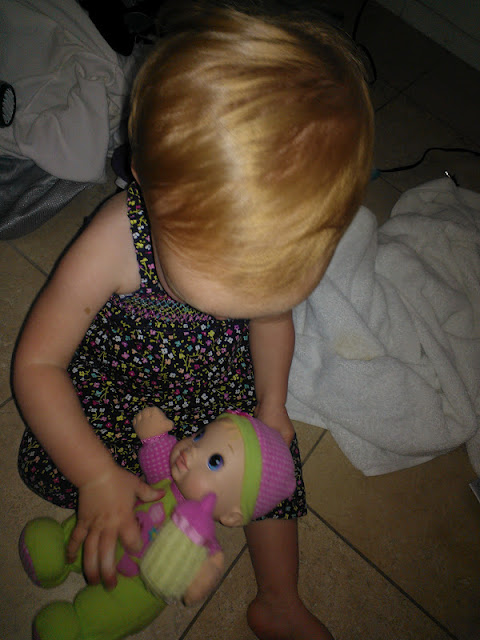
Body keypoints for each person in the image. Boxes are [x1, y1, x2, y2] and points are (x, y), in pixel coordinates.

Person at [13, 4, 374, 639]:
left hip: (220, 395)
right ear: (145, 184)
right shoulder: (114, 241)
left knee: (272, 465)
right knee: (107, 482)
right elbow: (37, 364)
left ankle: (279, 598)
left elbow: (272, 324)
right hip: (125, 399)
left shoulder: (265, 261)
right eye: (227, 294)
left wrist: (271, 401)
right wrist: (96, 475)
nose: (249, 308)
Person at [19, 408, 297, 639]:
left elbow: (201, 571)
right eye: (201, 435)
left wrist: (199, 578)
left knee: (113, 611)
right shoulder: (167, 477)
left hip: (138, 587)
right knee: (94, 522)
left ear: (232, 516)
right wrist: (154, 438)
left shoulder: (200, 540)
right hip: (117, 523)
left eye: (214, 461)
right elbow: (156, 459)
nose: (192, 450)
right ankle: (58, 552)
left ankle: (80, 626)